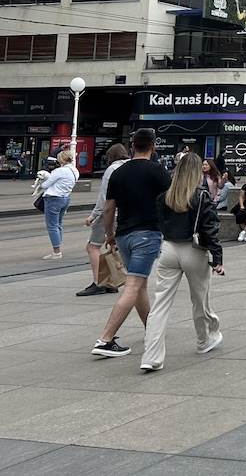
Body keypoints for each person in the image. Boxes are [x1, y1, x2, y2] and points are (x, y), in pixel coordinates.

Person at [139, 153, 224, 371]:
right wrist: (217, 258)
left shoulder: (165, 196)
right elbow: (210, 229)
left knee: (160, 305)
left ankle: (151, 357)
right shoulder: (201, 196)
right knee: (200, 299)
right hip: (193, 250)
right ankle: (204, 340)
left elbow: (158, 222)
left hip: (168, 249)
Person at [91, 128, 171, 358]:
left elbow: (108, 208)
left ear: (133, 146)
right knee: (133, 286)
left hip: (124, 235)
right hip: (147, 234)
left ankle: (151, 330)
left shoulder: (119, 172)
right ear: (153, 146)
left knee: (139, 285)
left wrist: (109, 234)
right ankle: (105, 339)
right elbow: (172, 200)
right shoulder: (158, 171)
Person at [79, 144, 128, 296]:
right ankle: (111, 281)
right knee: (112, 246)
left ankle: (98, 282)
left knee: (92, 247)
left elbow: (104, 197)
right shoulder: (131, 166)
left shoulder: (112, 169)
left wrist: (93, 216)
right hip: (125, 212)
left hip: (109, 212)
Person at [39, 149, 78, 260]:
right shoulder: (75, 171)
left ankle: (56, 251)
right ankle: (58, 249)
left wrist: (43, 179)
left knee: (52, 226)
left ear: (62, 159)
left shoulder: (60, 171)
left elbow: (45, 185)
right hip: (65, 198)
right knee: (58, 224)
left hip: (53, 199)